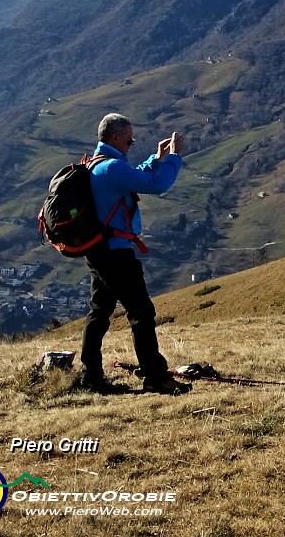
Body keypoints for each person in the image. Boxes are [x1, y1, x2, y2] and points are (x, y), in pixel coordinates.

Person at [78, 113, 191, 395]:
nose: (131, 142)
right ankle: (155, 376)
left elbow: (136, 176)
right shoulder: (112, 168)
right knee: (141, 311)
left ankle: (90, 375)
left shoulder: (98, 165)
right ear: (115, 137)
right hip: (115, 253)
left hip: (98, 250)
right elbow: (156, 185)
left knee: (100, 312)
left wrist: (156, 158)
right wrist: (175, 157)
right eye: (129, 137)